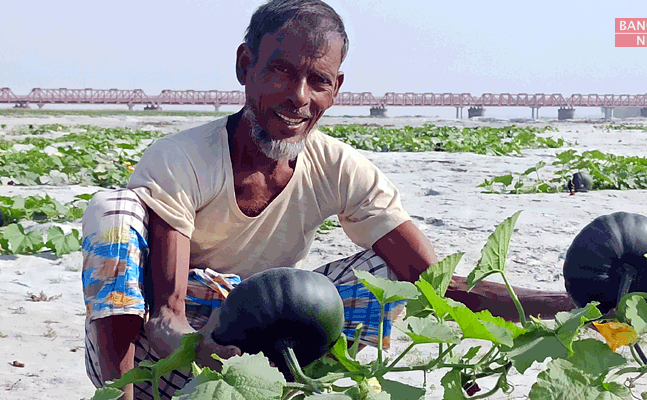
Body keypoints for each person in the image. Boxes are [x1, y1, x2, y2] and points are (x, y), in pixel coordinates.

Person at [81, 1, 575, 398]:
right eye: (280, 71)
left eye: (318, 80)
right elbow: (166, 316)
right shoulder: (182, 158)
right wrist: (203, 351)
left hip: (273, 363)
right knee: (113, 210)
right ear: (244, 66)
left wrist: (572, 304)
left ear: (336, 89)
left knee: (388, 274)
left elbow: (432, 284)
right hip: (156, 362)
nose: (299, 96)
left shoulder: (340, 167)